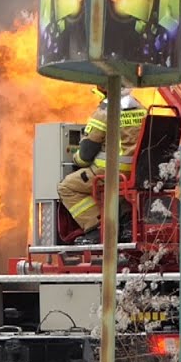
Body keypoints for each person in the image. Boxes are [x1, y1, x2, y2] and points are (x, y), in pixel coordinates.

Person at [57, 85, 146, 243]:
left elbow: (86, 154)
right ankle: (126, 226)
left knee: (67, 187)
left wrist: (76, 160)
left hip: (111, 171)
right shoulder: (141, 108)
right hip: (139, 171)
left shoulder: (105, 112)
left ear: (104, 89)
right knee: (119, 191)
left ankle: (96, 227)